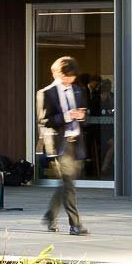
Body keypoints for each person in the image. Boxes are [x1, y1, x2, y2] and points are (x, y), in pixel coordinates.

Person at [36, 55, 89, 235]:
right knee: (69, 185)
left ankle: (50, 216)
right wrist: (67, 116)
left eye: (72, 77)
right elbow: (44, 120)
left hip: (76, 143)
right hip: (60, 144)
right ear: (57, 74)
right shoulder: (46, 93)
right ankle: (75, 225)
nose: (69, 81)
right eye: (65, 77)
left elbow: (85, 116)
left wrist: (81, 116)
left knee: (66, 185)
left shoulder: (77, 90)